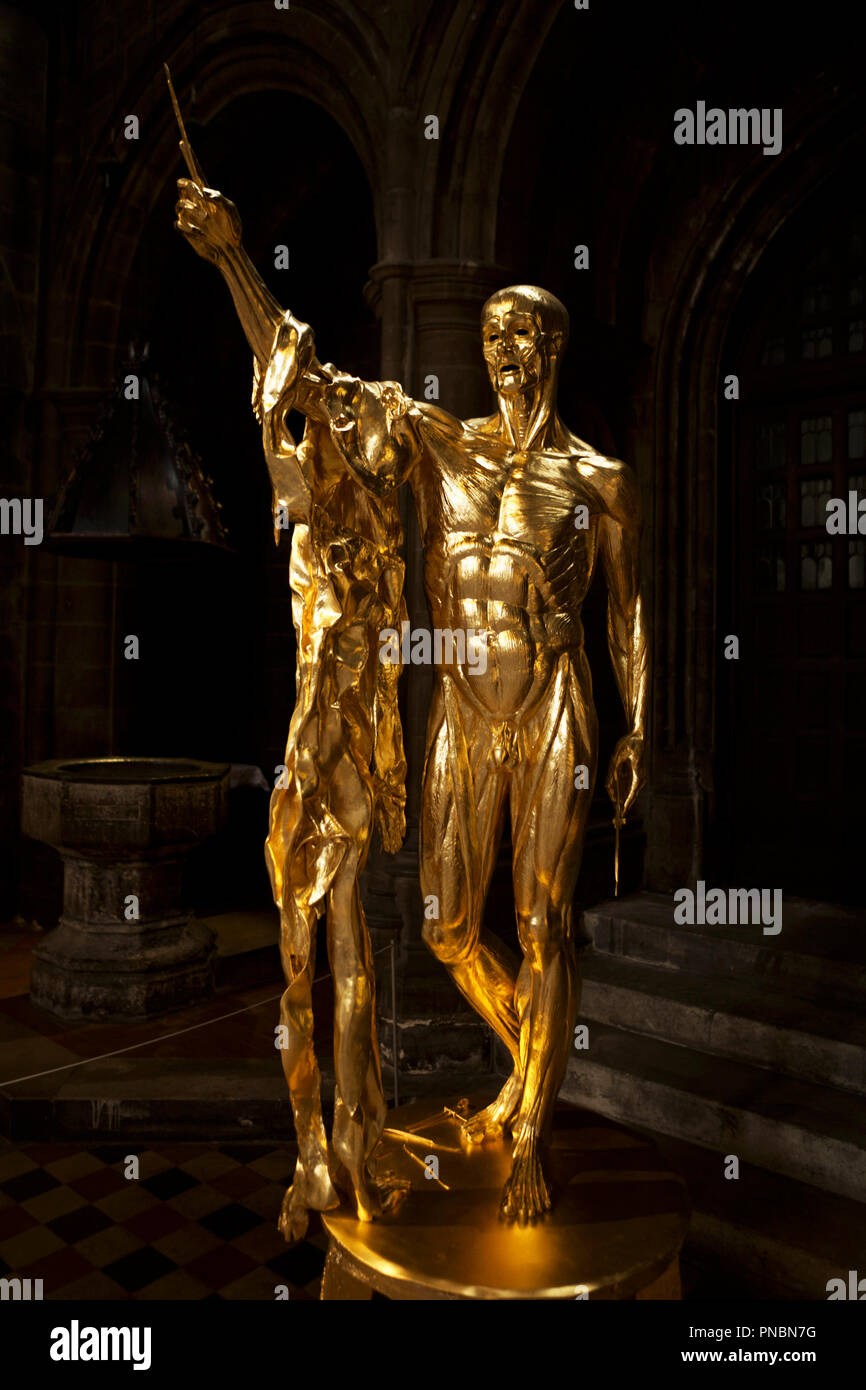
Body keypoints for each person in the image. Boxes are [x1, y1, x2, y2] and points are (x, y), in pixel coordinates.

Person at [175, 180, 648, 1225]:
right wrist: (228, 256)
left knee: (538, 921)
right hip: (461, 712)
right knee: (442, 927)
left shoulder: (599, 478)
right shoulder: (446, 441)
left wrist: (639, 728)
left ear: (553, 348)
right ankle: (535, 1058)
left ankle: (527, 1132)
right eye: (490, 335)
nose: (502, 351)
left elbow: (628, 612)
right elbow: (305, 376)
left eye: (521, 334)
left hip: (553, 702)